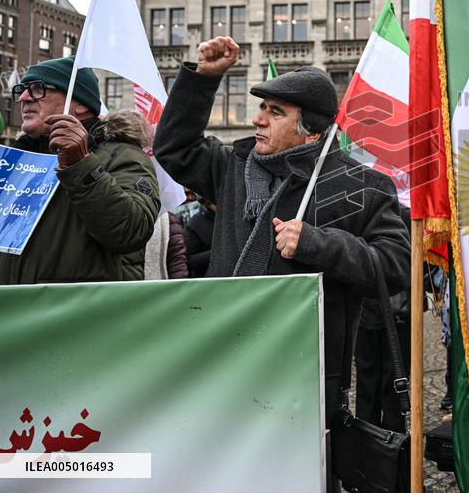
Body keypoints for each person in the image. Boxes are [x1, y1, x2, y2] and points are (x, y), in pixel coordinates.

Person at [152, 36, 410, 428]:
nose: (258, 119)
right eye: (262, 108)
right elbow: (173, 148)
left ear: (310, 130)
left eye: (275, 112)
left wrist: (316, 243)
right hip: (226, 358)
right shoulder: (232, 167)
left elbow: (394, 267)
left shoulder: (364, 187)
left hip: (306, 373)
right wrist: (202, 79)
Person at [0, 57, 160, 284]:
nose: (23, 97)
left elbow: (131, 231)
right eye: (22, 89)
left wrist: (80, 164)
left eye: (38, 89)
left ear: (80, 104)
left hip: (74, 312)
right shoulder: (14, 161)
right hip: (8, 311)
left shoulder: (123, 156)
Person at [354, 205, 412, 432]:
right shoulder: (362, 208)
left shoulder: (403, 213)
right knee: (370, 384)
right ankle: (369, 447)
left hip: (396, 311)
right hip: (367, 311)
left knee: (393, 385)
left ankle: (390, 449)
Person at [183, 198, 216, 278]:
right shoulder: (195, 224)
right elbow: (188, 260)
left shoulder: (234, 216)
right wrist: (216, 253)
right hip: (208, 281)